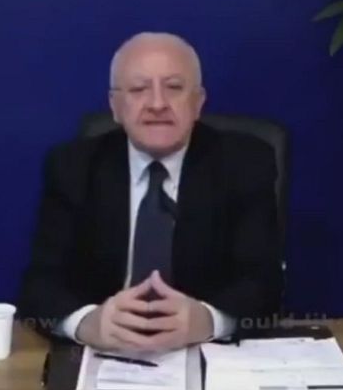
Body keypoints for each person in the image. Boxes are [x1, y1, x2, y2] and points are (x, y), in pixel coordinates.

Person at [17, 32, 283, 354]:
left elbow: (264, 282)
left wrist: (208, 320)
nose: (157, 104)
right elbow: (40, 284)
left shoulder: (245, 163)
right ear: (115, 106)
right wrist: (87, 324)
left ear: (198, 102)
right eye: (138, 89)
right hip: (106, 354)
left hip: (207, 352)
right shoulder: (73, 167)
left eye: (174, 87)